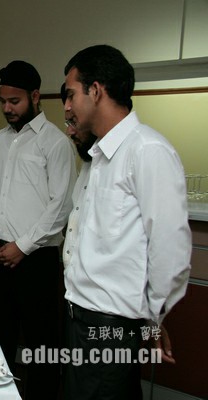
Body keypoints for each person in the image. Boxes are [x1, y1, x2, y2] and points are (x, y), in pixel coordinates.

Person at [61, 44, 191, 400]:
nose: (67, 106)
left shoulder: (147, 150)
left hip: (111, 326)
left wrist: (153, 319)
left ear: (96, 90)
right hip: (80, 319)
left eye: (71, 94)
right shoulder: (98, 157)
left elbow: (170, 250)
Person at [0, 61, 76, 399]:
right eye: (3, 101)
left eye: (15, 101)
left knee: (42, 346)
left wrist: (23, 245)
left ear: (35, 96)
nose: (7, 108)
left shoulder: (55, 143)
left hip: (37, 261)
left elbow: (61, 205)